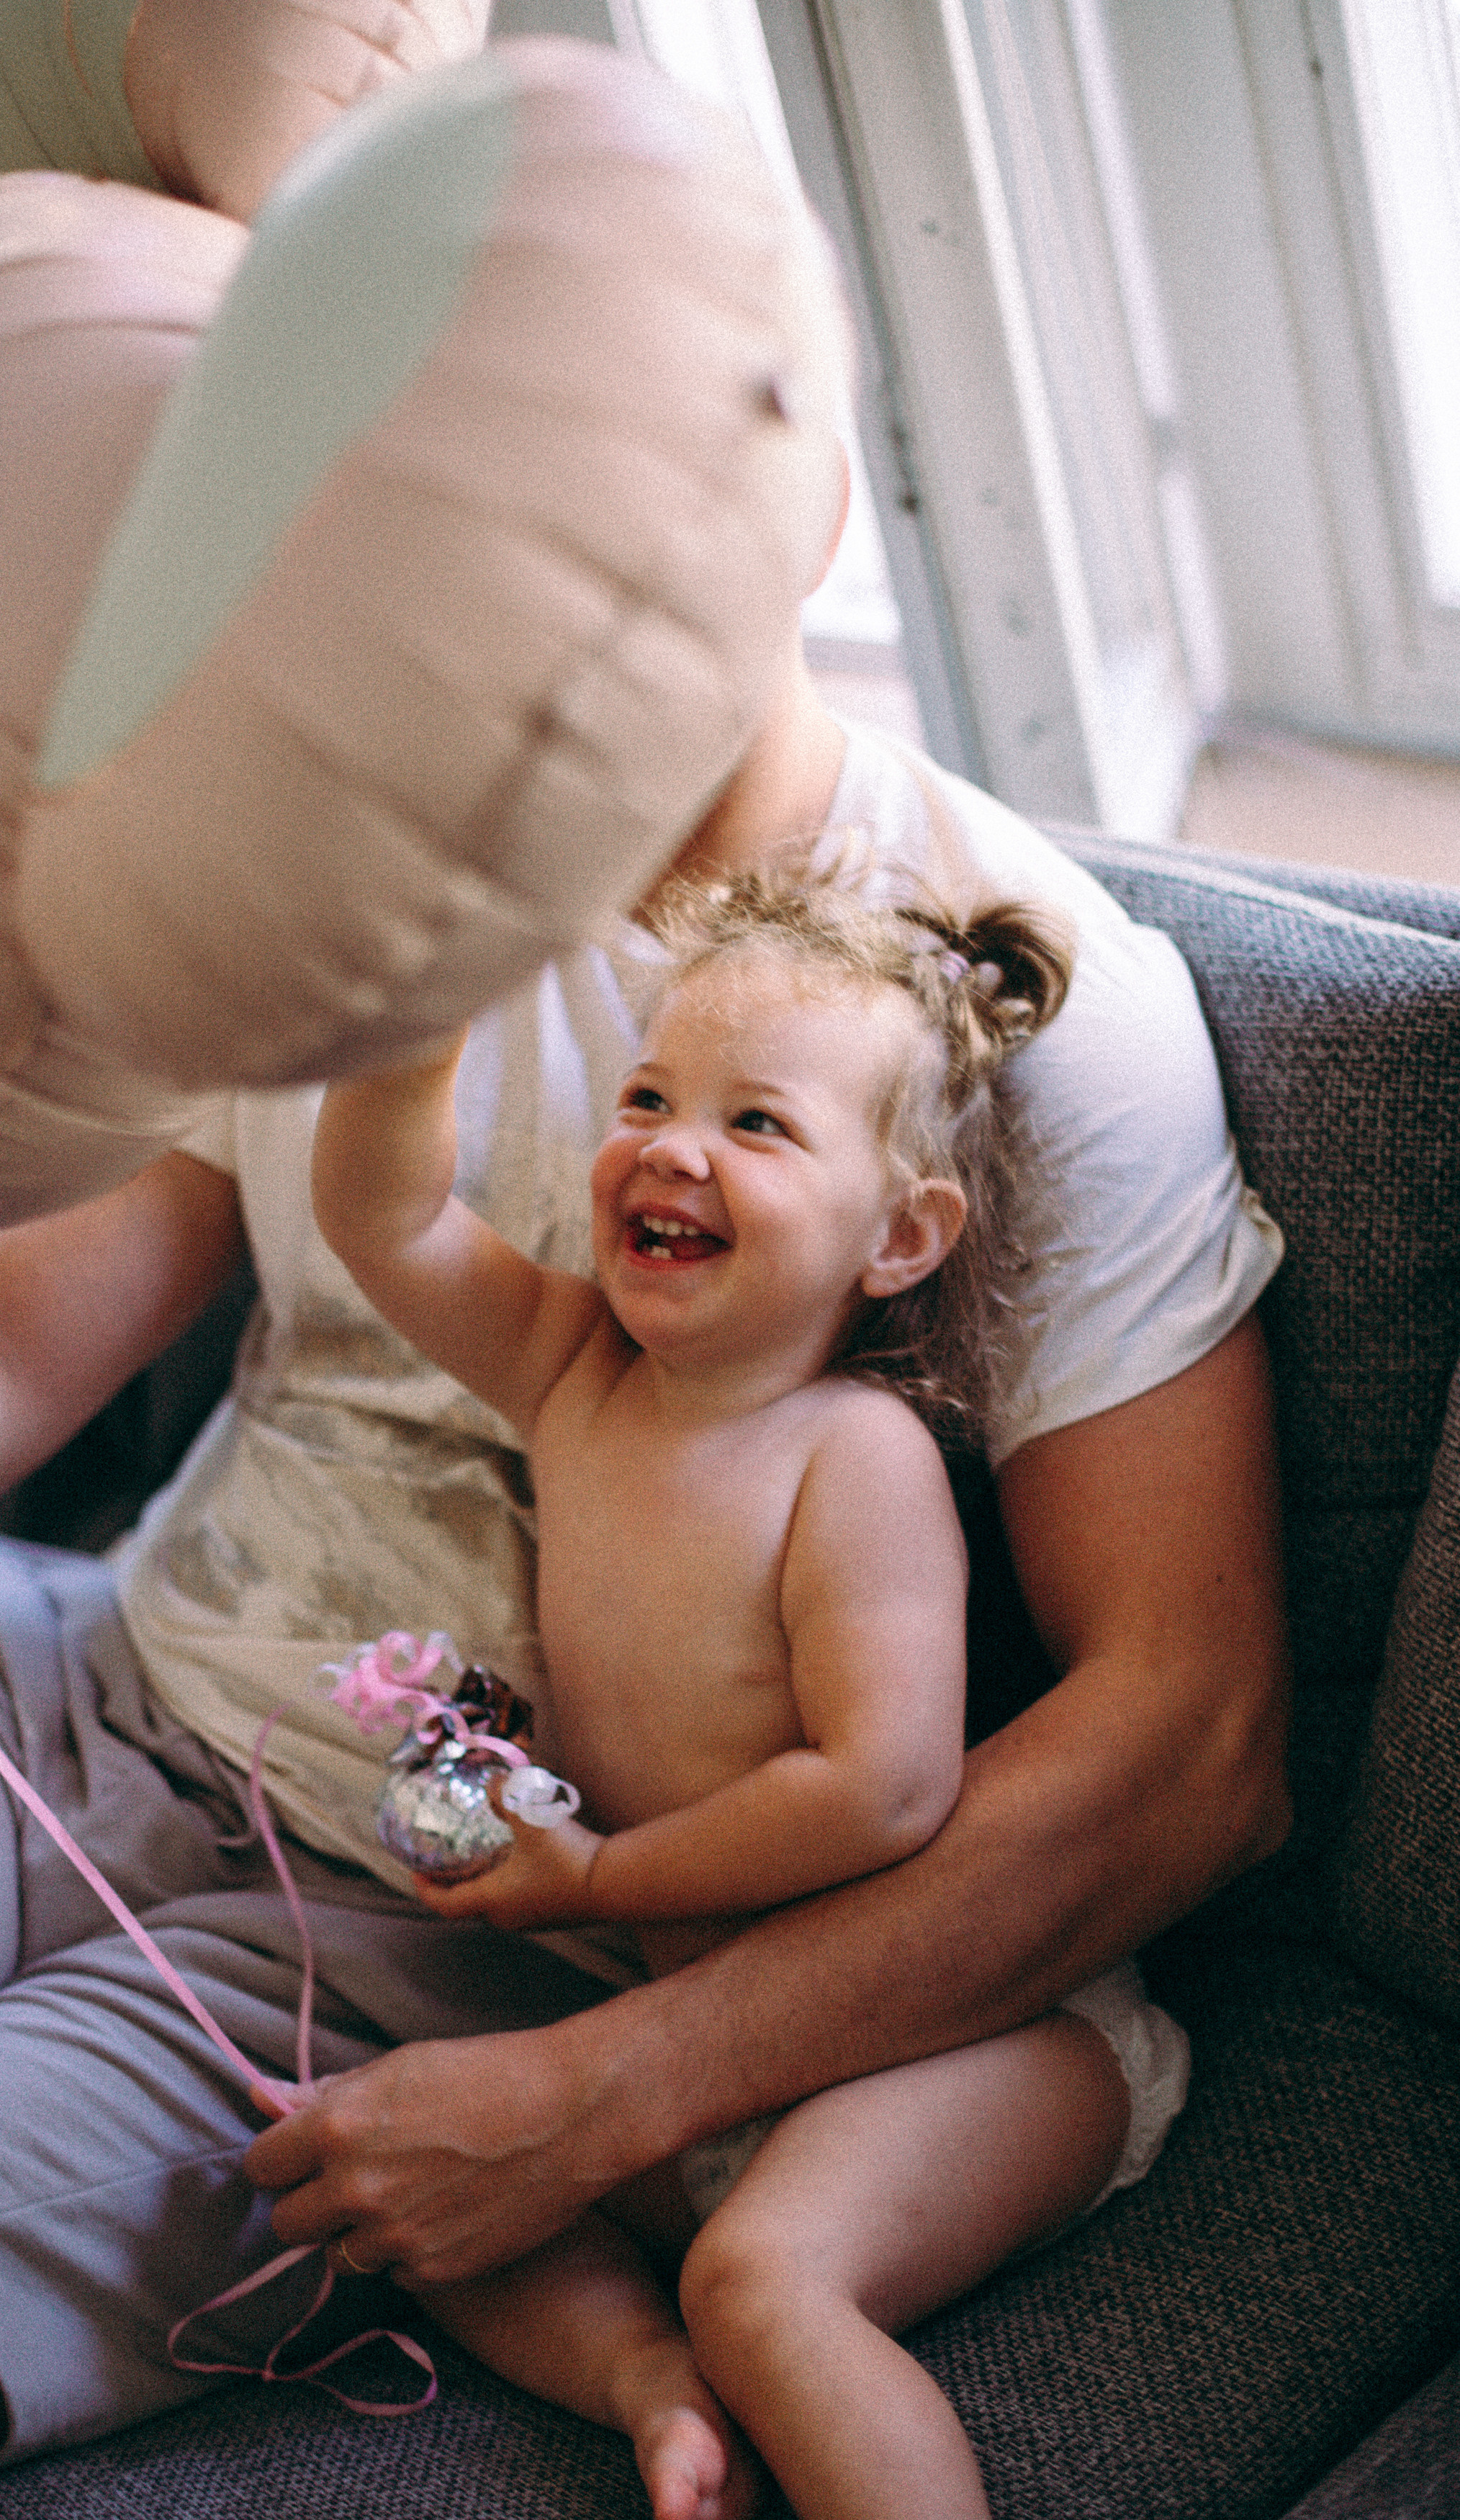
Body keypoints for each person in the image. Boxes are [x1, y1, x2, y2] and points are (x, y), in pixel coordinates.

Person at [309, 867, 1192, 2520]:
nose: (670, 1142)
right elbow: (385, 1220)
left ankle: (725, 2356)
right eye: (647, 1096)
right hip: (710, 2073)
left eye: (758, 1125)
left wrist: (602, 1877)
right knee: (414, 2193)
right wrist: (419, 1010)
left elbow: (885, 1787)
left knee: (766, 2282)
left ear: (902, 1234)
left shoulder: (848, 1458)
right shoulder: (578, 1375)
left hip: (972, 2045)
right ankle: (653, 2394)